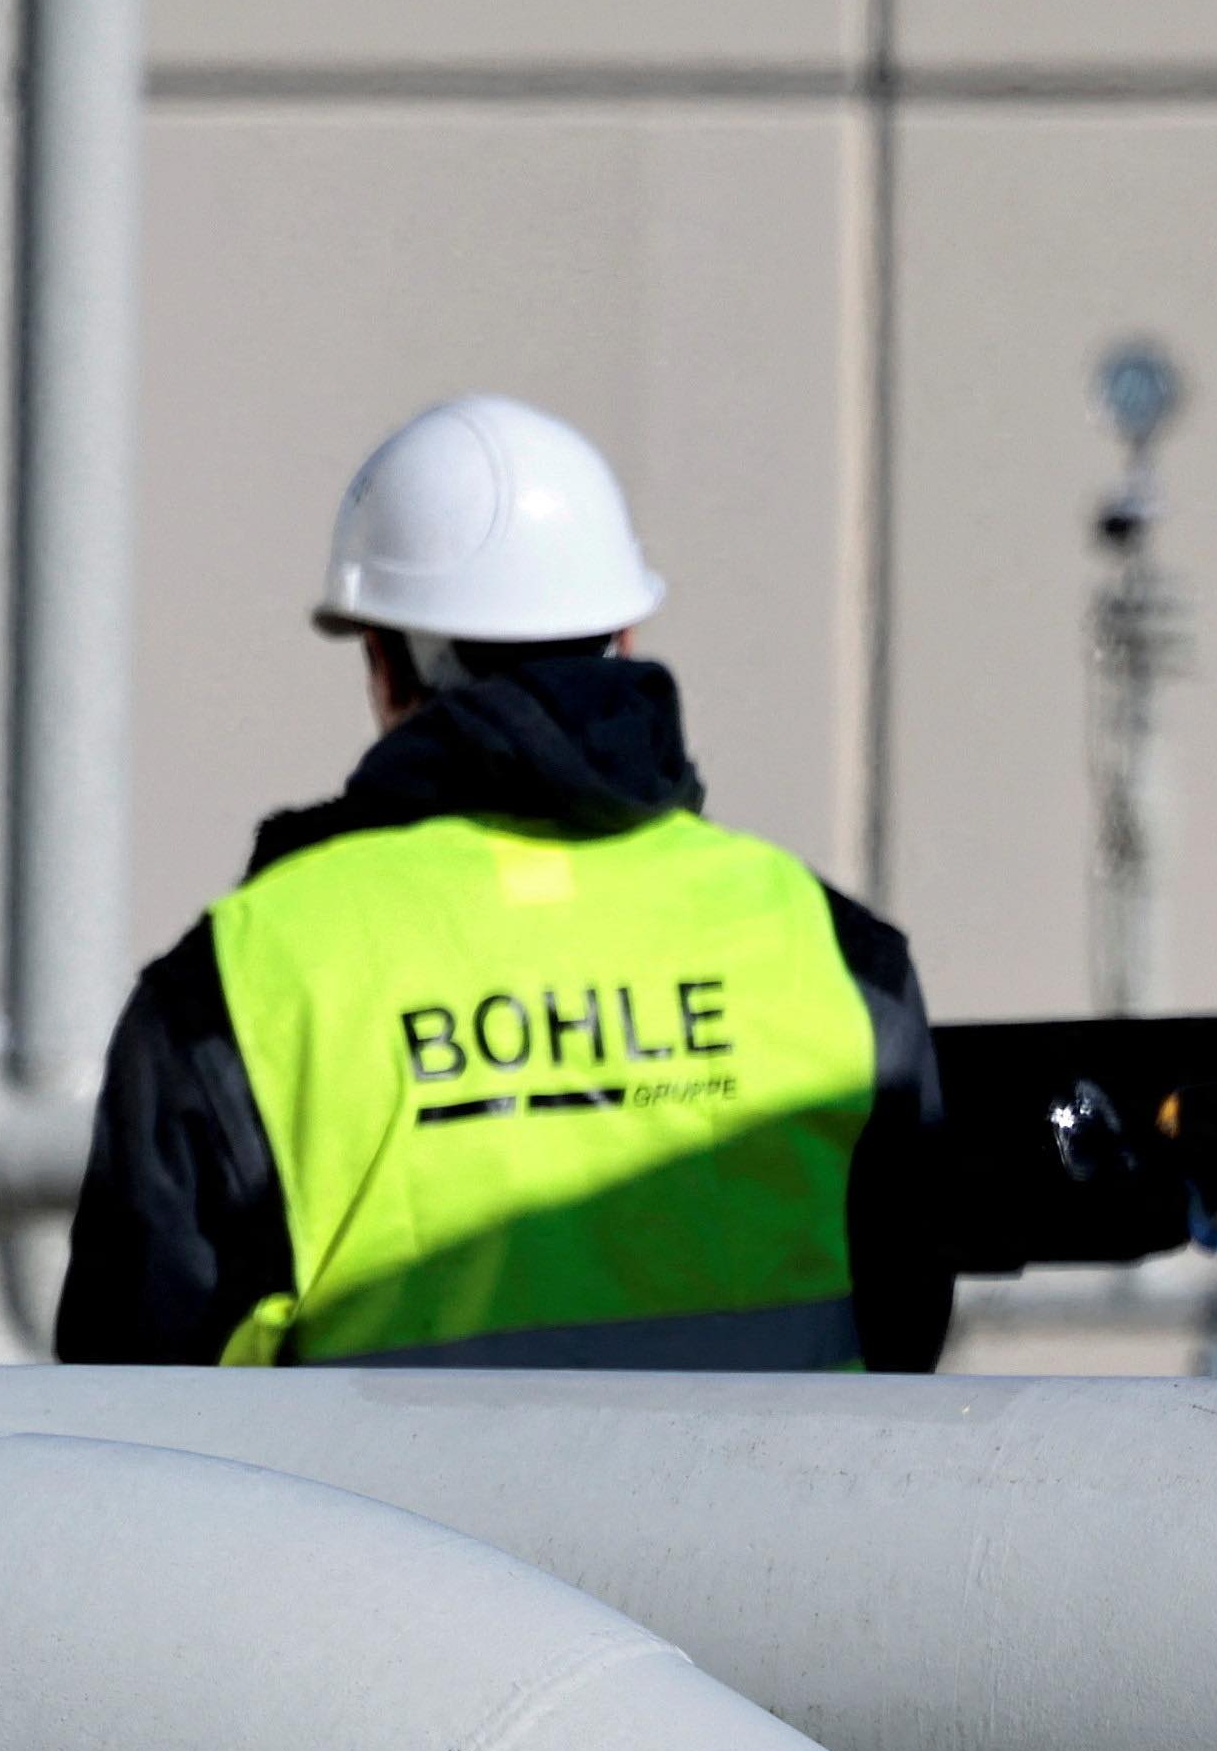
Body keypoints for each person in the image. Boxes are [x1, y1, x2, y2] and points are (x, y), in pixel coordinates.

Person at [58, 393, 954, 1371]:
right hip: (771, 1527)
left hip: (371, 1529)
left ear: (384, 663)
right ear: (625, 641)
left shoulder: (240, 984)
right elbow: (907, 1325)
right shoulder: (828, 949)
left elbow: (130, 1399)